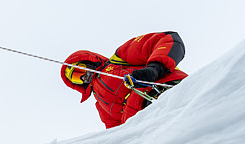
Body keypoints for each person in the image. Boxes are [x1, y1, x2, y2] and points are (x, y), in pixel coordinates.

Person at [60, 31, 188, 129]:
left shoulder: (119, 59)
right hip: (149, 125)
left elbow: (166, 39)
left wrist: (155, 69)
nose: (83, 77)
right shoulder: (101, 106)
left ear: (87, 61)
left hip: (166, 91)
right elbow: (117, 133)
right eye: (76, 78)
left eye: (79, 71)